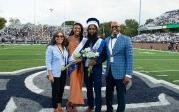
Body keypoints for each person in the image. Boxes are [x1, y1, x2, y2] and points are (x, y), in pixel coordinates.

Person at [105, 21, 133, 112]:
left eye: (116, 26)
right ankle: (109, 110)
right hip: (109, 72)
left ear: (120, 28)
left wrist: (128, 75)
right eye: (112, 27)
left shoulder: (126, 39)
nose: (114, 28)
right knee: (108, 94)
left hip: (121, 73)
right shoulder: (107, 40)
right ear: (111, 28)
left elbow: (130, 57)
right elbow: (105, 55)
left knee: (121, 95)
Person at [83, 18, 106, 112]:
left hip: (97, 69)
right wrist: (85, 58)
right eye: (90, 29)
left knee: (97, 89)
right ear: (88, 30)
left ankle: (98, 109)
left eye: (93, 28)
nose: (92, 30)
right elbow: (82, 53)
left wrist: (97, 61)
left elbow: (105, 56)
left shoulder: (102, 42)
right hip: (87, 69)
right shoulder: (85, 41)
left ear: (96, 30)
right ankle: (90, 106)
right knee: (88, 89)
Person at [66, 23, 88, 112]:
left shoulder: (84, 40)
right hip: (72, 66)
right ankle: (70, 103)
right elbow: (65, 52)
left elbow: (86, 53)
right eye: (75, 28)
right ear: (73, 29)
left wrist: (81, 59)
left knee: (79, 85)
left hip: (81, 65)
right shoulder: (68, 39)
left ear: (81, 30)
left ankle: (72, 103)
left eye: (79, 28)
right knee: (74, 85)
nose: (77, 29)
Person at [45, 31, 68, 112]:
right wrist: (50, 74)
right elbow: (48, 62)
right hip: (55, 73)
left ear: (63, 38)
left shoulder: (64, 48)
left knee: (61, 90)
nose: (59, 37)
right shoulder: (51, 47)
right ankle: (55, 108)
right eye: (57, 36)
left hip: (63, 72)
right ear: (55, 38)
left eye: (61, 36)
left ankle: (59, 105)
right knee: (55, 91)